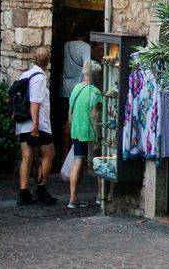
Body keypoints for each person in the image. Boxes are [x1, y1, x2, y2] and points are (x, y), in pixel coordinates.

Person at [13, 48, 56, 206]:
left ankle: (23, 192)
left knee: (26, 156)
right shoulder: (40, 77)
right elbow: (35, 102)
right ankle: (41, 189)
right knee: (48, 153)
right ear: (47, 61)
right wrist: (36, 125)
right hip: (38, 124)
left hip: (22, 123)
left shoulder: (25, 75)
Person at [65, 59, 103, 210]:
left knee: (77, 161)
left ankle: (72, 198)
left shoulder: (76, 88)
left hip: (77, 129)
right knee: (98, 163)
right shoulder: (95, 92)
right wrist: (98, 134)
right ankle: (100, 195)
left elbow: (70, 111)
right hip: (90, 131)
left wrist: (71, 126)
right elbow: (95, 116)